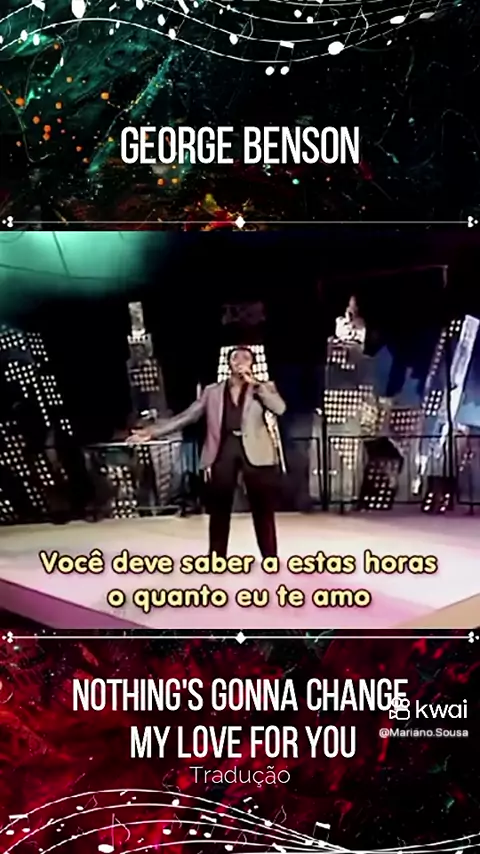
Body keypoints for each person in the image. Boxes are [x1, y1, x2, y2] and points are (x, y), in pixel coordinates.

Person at [128, 346, 286, 558]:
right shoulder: (212, 392)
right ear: (229, 363)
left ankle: (270, 557)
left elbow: (279, 408)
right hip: (223, 449)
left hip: (256, 452)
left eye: (246, 358)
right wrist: (152, 432)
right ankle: (217, 557)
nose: (240, 361)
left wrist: (255, 384)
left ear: (252, 364)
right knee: (219, 508)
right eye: (235, 357)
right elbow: (188, 416)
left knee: (262, 509)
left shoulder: (263, 387)